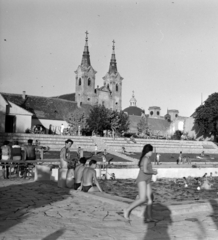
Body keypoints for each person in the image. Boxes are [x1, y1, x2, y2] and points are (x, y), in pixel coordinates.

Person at [123, 144, 157, 221]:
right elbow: (145, 170)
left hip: (147, 180)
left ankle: (149, 217)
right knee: (142, 199)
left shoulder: (146, 158)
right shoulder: (145, 159)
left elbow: (145, 169)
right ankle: (127, 209)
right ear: (149, 151)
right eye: (152, 151)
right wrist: (153, 172)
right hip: (142, 180)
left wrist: (152, 172)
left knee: (150, 198)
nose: (152, 153)